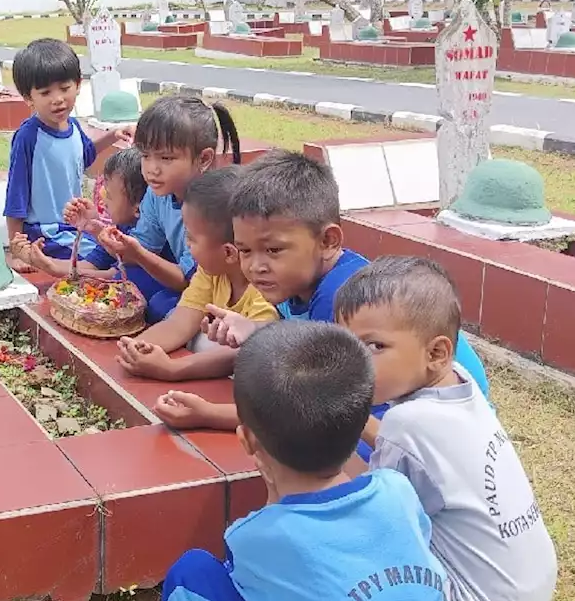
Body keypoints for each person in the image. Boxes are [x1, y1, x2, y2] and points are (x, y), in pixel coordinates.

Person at [161, 319, 485, 601]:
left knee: (189, 576)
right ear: (360, 423)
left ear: (247, 441)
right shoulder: (397, 490)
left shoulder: (257, 536)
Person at [156, 150, 491, 438]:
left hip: (441, 419)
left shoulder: (342, 297)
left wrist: (209, 414)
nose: (256, 266)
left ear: (329, 240)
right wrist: (256, 330)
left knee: (318, 444)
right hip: (392, 400)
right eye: (245, 251)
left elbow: (318, 406)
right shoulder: (293, 282)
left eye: (273, 250)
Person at [334, 256, 557, 601]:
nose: (351, 363)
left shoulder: (408, 424)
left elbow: (376, 522)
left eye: (373, 346)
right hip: (530, 590)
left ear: (436, 353)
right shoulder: (462, 385)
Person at [115, 166, 277, 382]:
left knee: (208, 343)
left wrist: (172, 368)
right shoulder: (211, 272)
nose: (186, 245)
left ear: (228, 252)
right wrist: (138, 347)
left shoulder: (264, 288)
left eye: (191, 238)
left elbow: (246, 355)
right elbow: (180, 323)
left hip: (258, 368)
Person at [91, 95, 242, 324]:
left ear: (204, 159)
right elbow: (145, 247)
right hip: (189, 286)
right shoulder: (156, 194)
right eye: (145, 156)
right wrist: (111, 240)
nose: (152, 169)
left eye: (166, 158)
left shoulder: (213, 204)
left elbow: (186, 279)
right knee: (139, 286)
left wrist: (137, 254)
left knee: (158, 304)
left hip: (225, 295)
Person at [2, 38, 124, 273]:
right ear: (28, 97)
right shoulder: (28, 136)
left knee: (114, 250)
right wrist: (17, 249)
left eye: (65, 88)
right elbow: (16, 192)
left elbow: (85, 156)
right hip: (45, 230)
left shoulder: (74, 126)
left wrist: (112, 136)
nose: (57, 99)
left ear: (78, 85)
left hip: (75, 225)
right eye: (45, 92)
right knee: (97, 260)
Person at [9, 146, 147, 280]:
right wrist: (37, 260)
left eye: (109, 196)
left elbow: (115, 277)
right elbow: (91, 265)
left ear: (138, 208)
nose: (103, 203)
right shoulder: (123, 226)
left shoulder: (146, 235)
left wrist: (52, 268)